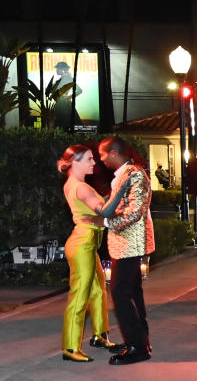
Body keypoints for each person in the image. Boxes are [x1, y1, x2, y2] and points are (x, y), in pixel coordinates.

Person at [57, 145, 130, 362]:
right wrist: (121, 190)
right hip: (83, 244)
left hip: (86, 242)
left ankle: (100, 335)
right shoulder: (82, 188)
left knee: (98, 291)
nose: (93, 163)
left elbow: (98, 210)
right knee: (80, 295)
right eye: (89, 159)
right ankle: (70, 348)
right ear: (75, 162)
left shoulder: (75, 185)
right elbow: (105, 211)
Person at [99, 136, 155, 365]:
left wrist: (104, 223)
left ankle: (138, 347)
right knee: (131, 292)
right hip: (125, 243)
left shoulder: (134, 174)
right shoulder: (125, 174)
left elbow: (135, 211)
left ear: (113, 152)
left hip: (131, 243)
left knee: (121, 292)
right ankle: (139, 341)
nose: (100, 159)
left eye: (102, 154)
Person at [53, 61, 82, 130]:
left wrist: (68, 97)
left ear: (63, 69)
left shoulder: (69, 79)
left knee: (65, 124)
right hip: (59, 105)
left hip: (65, 106)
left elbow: (79, 90)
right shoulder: (60, 80)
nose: (57, 70)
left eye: (58, 68)